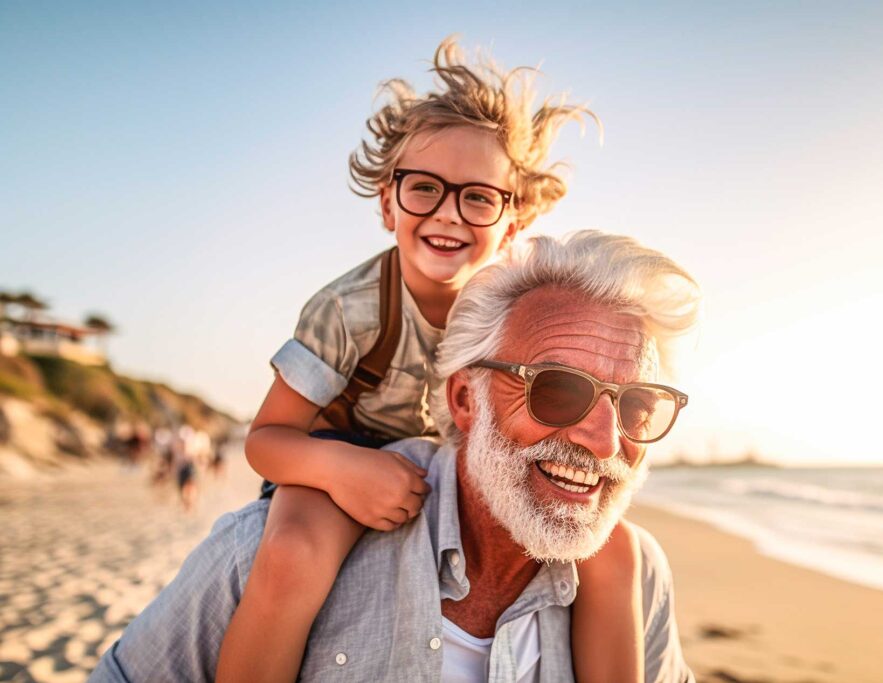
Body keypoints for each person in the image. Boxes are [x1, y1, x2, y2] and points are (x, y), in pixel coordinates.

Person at [212, 37, 645, 683]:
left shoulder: (517, 311)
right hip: (337, 455)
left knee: (617, 552)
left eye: (477, 197)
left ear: (513, 219)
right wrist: (342, 469)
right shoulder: (349, 309)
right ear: (388, 203)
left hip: (459, 463)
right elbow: (266, 440)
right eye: (425, 189)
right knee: (295, 551)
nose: (449, 214)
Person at [90, 230, 701, 682]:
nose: (603, 438)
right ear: (465, 398)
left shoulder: (637, 578)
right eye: (557, 390)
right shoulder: (265, 551)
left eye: (639, 404)